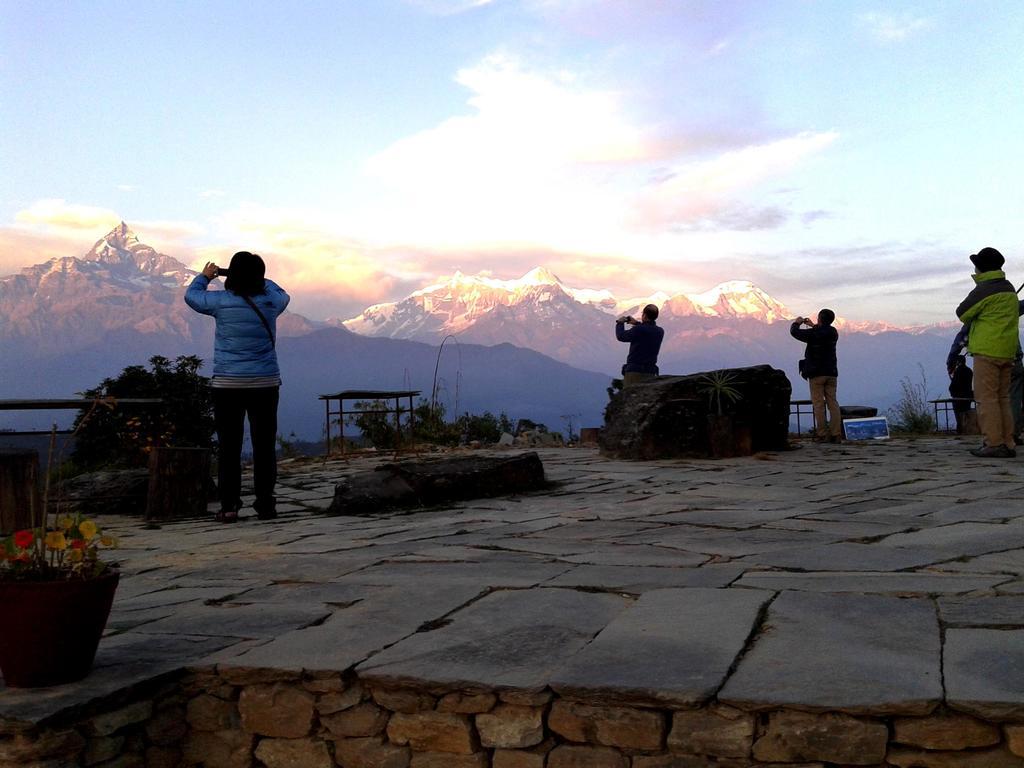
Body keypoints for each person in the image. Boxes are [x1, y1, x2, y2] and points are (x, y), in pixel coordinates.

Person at [185, 251, 290, 521]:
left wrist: (206, 277)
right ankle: (265, 504)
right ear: (260, 275)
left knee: (229, 447)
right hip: (266, 383)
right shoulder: (271, 302)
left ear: (231, 275)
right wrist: (258, 278)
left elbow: (192, 297)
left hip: (228, 384)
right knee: (264, 446)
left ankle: (229, 506)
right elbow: (282, 292)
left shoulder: (219, 302)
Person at [956, 246, 1020, 458]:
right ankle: (1008, 442)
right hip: (1007, 351)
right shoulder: (1009, 288)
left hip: (987, 350)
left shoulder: (985, 289)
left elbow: (962, 312)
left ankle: (993, 442)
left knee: (986, 399)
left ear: (981, 268)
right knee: (1003, 398)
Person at [790, 309, 841, 442]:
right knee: (833, 403)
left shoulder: (813, 334)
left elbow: (794, 332)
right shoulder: (833, 332)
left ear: (819, 318)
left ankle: (823, 434)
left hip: (816, 373)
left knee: (818, 404)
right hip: (831, 373)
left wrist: (797, 323)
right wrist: (814, 325)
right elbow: (822, 332)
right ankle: (836, 434)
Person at [615, 304, 664, 387]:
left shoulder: (638, 330)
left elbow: (621, 336)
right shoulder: (660, 331)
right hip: (650, 372)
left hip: (634, 372)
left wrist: (620, 323)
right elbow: (647, 331)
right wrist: (637, 323)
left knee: (630, 397)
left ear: (644, 315)